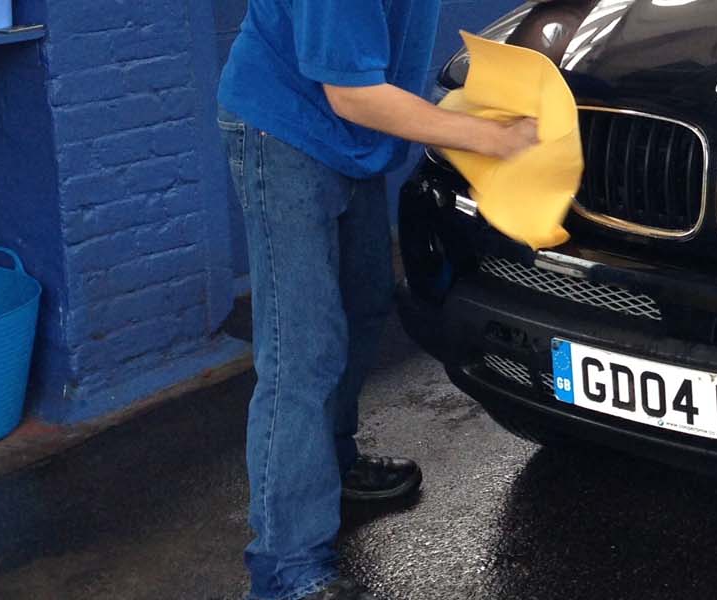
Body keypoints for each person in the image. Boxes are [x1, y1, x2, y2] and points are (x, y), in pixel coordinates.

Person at [216, 1, 536, 598]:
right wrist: (493, 137)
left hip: (350, 138)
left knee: (364, 303)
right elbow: (354, 95)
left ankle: (330, 465)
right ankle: (287, 567)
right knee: (301, 347)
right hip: (285, 126)